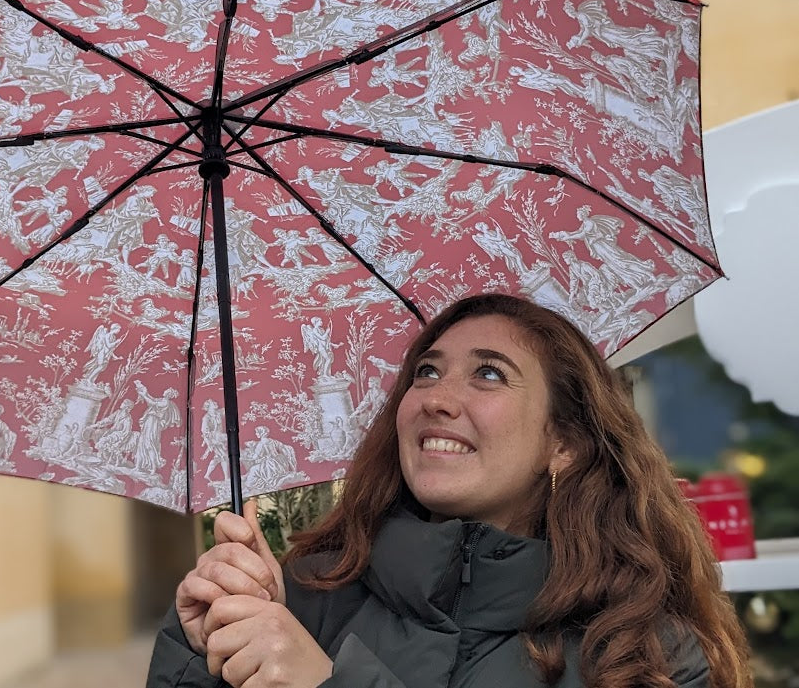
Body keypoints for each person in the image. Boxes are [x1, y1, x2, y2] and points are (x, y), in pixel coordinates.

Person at [147, 294, 751, 688]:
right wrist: (202, 652)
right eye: (426, 371)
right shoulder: (305, 598)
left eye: (489, 373)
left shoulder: (644, 655)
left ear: (562, 442)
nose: (435, 397)